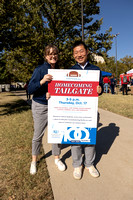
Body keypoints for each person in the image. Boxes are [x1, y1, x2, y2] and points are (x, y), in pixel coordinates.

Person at [28, 44, 66, 175]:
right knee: (38, 135)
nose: (53, 56)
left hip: (55, 106)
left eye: (55, 53)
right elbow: (30, 89)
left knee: (56, 133)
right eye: (50, 54)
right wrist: (42, 81)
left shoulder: (59, 71)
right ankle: (34, 161)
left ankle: (57, 158)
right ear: (46, 56)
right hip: (40, 106)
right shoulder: (39, 70)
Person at [70, 40, 103, 180]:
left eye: (81, 51)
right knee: (75, 138)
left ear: (87, 52)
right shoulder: (69, 71)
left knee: (90, 138)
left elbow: (100, 87)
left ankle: (89, 163)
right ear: (73, 55)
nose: (79, 54)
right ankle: (77, 164)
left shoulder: (96, 70)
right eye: (76, 52)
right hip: (75, 111)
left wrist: (100, 89)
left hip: (90, 110)